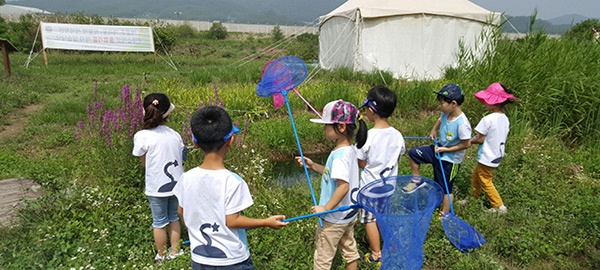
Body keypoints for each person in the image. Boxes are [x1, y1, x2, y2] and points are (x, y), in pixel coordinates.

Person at [173, 105, 288, 269]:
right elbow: (232, 220)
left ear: (194, 142)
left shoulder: (185, 178)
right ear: (231, 140)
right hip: (232, 260)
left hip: (199, 259)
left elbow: (181, 211)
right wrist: (266, 222)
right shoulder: (233, 181)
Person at [295, 99, 368, 270]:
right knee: (350, 251)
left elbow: (343, 186)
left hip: (334, 218)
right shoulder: (348, 151)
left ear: (341, 127)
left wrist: (325, 208)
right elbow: (332, 174)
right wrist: (313, 165)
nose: (324, 129)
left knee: (322, 259)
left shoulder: (340, 156)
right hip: (348, 215)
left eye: (327, 125)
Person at [132, 93, 185, 263]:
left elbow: (143, 161)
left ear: (144, 112)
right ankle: (175, 252)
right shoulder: (175, 134)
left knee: (159, 222)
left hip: (156, 186)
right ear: (168, 114)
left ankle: (161, 255)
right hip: (177, 185)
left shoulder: (142, 135)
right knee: (174, 218)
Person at [405, 84, 472, 215]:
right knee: (413, 154)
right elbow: (439, 119)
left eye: (442, 104)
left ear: (453, 103)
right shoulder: (446, 113)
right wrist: (433, 130)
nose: (439, 106)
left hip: (450, 159)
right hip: (438, 150)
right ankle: (416, 180)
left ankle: (444, 213)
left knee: (445, 187)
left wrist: (446, 149)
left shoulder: (462, 124)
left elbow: (466, 144)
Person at [356, 86, 405, 265]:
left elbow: (361, 163)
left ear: (371, 109)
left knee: (369, 219)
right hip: (389, 187)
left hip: (370, 188)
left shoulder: (368, 136)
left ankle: (376, 254)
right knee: (383, 216)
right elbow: (398, 156)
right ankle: (388, 245)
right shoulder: (398, 135)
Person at [470, 82, 516, 214]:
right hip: (497, 154)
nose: (484, 102)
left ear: (495, 102)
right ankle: (474, 197)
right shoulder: (504, 118)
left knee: (485, 180)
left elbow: (480, 139)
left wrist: (467, 141)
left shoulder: (488, 119)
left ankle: (499, 206)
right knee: (477, 175)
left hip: (488, 156)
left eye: (487, 99)